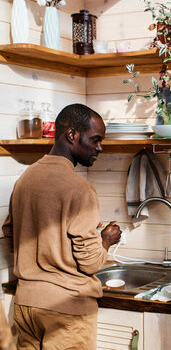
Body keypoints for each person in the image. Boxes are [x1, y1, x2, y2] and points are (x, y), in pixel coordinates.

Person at [2, 103, 121, 349]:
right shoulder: (80, 189)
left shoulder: (25, 179)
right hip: (66, 309)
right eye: (95, 139)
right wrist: (106, 240)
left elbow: (11, 234)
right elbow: (90, 263)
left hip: (26, 305)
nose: (99, 148)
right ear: (71, 135)